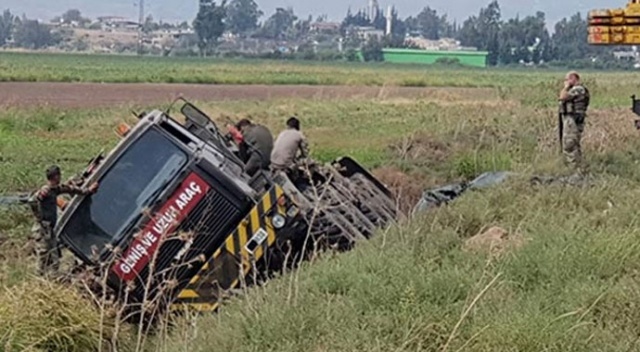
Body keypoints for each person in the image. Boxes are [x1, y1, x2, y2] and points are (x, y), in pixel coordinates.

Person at [29, 165, 98, 277]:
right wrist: (39, 217)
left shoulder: (56, 189)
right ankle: (38, 278)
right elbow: (32, 201)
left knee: (54, 256)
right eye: (59, 175)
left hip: (50, 229)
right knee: (43, 255)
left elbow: (71, 189)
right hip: (42, 229)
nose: (60, 177)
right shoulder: (45, 191)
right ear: (55, 176)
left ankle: (51, 278)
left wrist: (88, 191)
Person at [558, 70, 590, 174]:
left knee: (569, 144)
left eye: (567, 79)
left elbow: (562, 96)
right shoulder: (579, 90)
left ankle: (573, 169)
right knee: (574, 144)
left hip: (573, 120)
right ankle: (579, 168)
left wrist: (566, 87)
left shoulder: (578, 89)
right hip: (573, 119)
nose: (566, 81)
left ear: (573, 78)